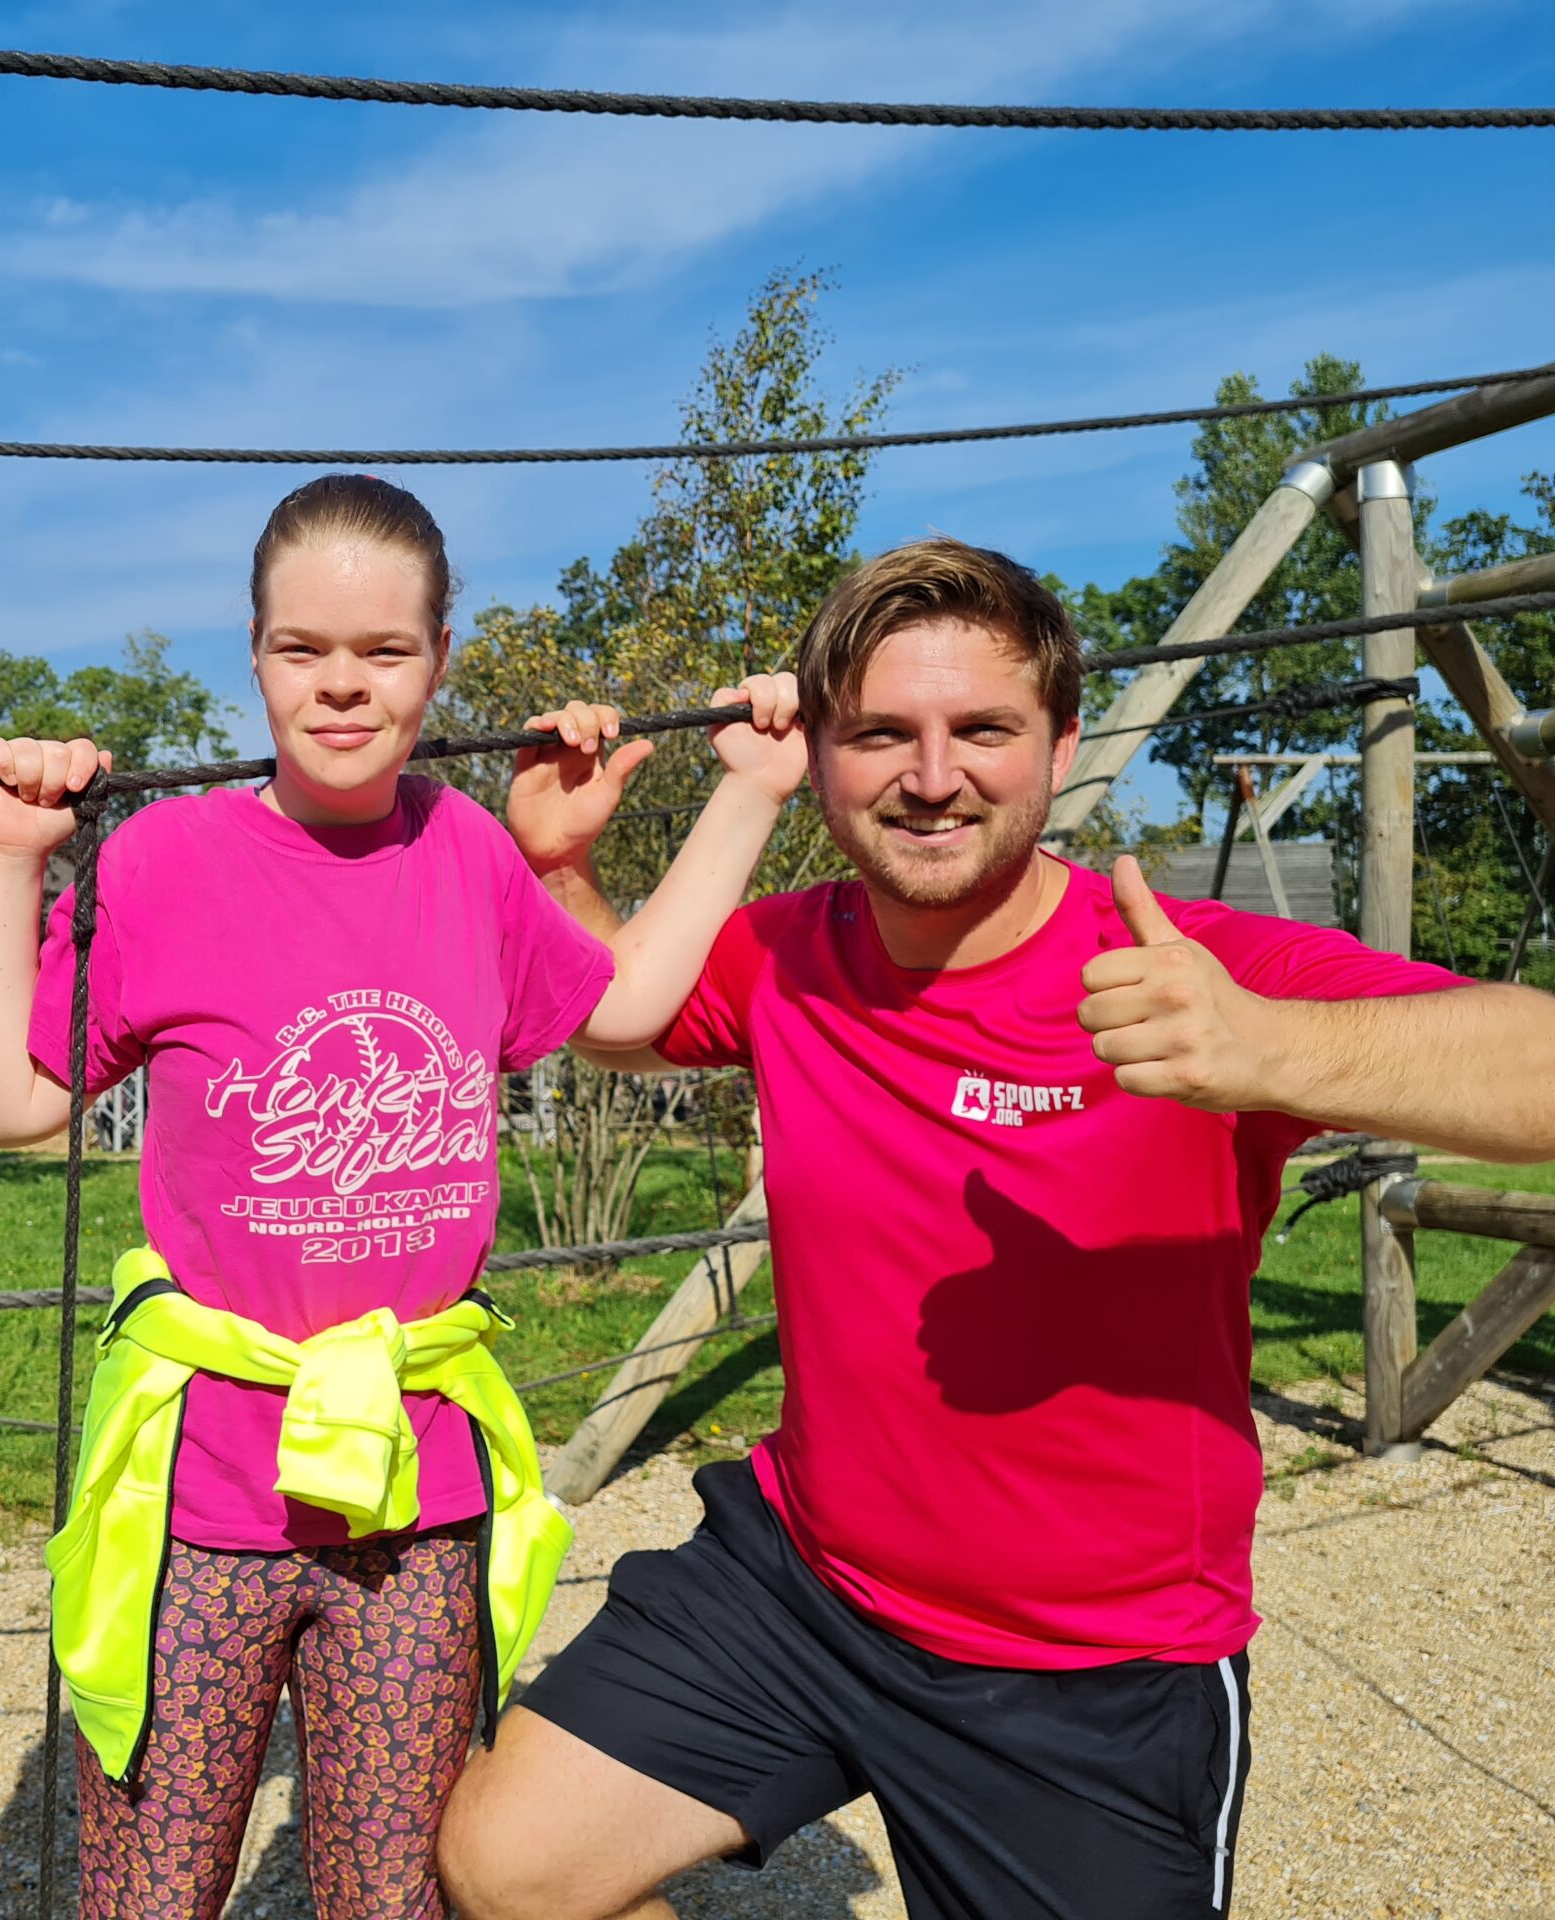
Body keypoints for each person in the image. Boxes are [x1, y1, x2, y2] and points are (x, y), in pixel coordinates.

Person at [440, 535, 1555, 1920]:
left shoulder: (1179, 970)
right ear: (826, 755)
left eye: (983, 729)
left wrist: (1271, 1048)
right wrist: (560, 864)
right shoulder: (793, 948)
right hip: (806, 1583)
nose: (930, 775)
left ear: (1063, 741)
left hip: (1094, 1669)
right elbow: (625, 1021)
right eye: (880, 734)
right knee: (501, 1869)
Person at [0, 472, 790, 1919]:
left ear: (440, 661)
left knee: (391, 1893)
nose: (344, 686)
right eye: (304, 649)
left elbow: (633, 996)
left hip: (418, 1484)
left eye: (386, 654)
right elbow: (11, 1102)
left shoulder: (469, 850)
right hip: (204, 1483)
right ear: (256, 651)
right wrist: (14, 865)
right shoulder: (166, 856)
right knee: (149, 1886)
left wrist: (752, 789)